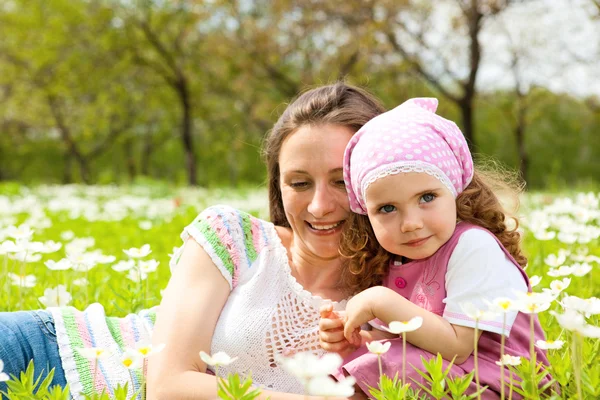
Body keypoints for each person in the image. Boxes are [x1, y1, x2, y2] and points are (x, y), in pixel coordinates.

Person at [0, 82, 386, 399]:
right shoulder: (234, 237)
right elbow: (167, 386)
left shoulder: (399, 298)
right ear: (277, 186)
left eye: (340, 181)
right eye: (299, 183)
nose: (319, 206)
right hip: (47, 354)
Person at [318, 98, 552, 399]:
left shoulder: (473, 246)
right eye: (387, 208)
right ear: (366, 214)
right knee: (345, 363)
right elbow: (400, 337)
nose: (410, 223)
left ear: (454, 191)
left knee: (387, 368)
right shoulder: (390, 256)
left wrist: (380, 301)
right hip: (434, 367)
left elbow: (457, 346)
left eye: (426, 198)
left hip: (499, 376)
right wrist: (359, 336)